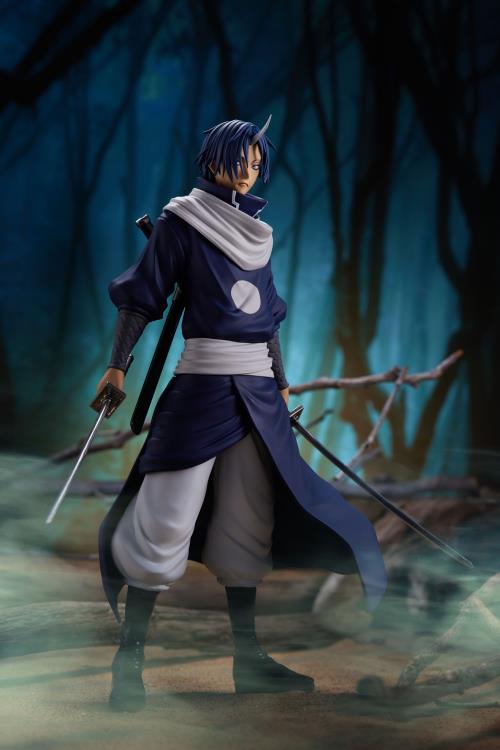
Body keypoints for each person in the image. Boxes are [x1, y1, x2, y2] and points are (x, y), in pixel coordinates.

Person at [97, 116, 387, 712]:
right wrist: (116, 367)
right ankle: (130, 659)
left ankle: (248, 660)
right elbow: (143, 297)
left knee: (246, 519)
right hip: (201, 386)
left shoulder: (257, 232)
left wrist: (280, 384)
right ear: (214, 160)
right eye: (241, 160)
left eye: (257, 163)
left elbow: (266, 319)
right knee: (165, 514)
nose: (250, 171)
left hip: (257, 392)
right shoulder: (181, 222)